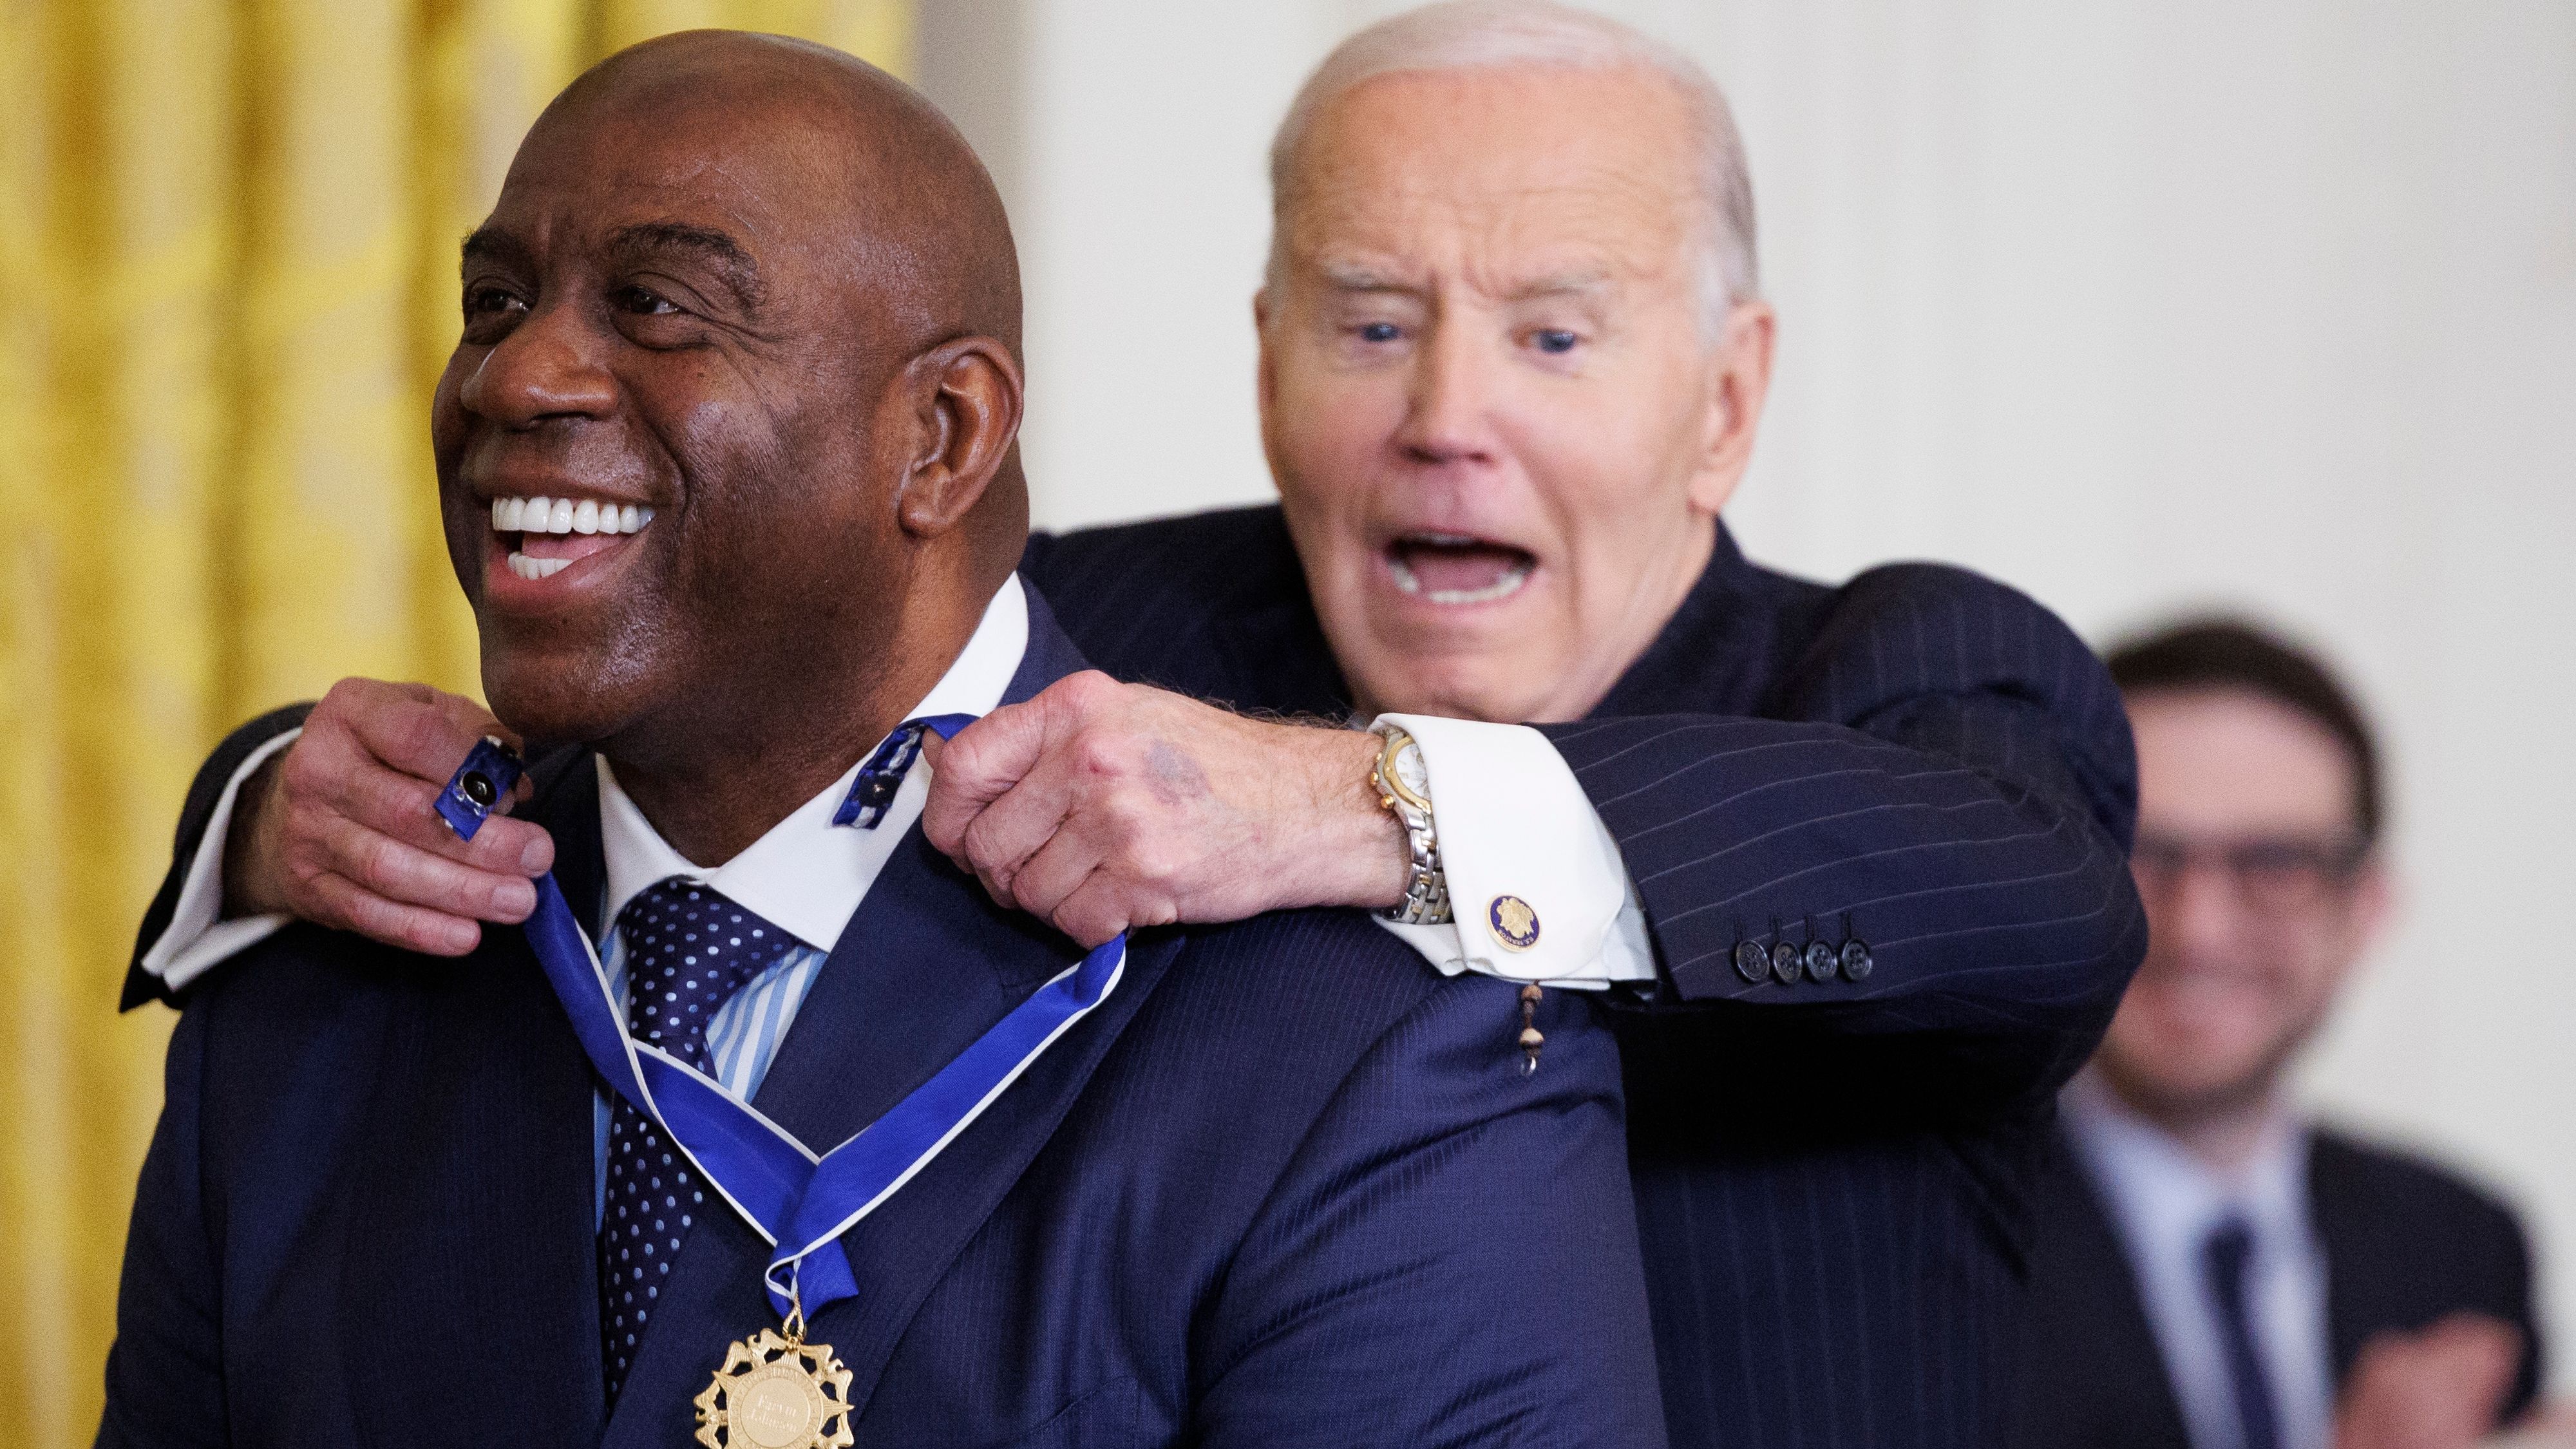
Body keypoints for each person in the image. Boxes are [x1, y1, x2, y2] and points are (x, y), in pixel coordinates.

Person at [120, 5, 2147, 1445]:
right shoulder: (1137, 625)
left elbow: (2027, 889)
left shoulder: (1906, 680)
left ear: (1722, 398)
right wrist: (267, 801)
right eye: (1368, 319)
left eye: (1553, 331)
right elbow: (775, 619)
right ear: (1261, 365)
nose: (1448, 413)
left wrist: (1355, 801)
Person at [2010, 619, 2546, 1449]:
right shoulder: (1915, 1236)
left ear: (2365, 909)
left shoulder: (2461, 1244)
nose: (2200, 932)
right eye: (2142, 855)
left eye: (2274, 865)